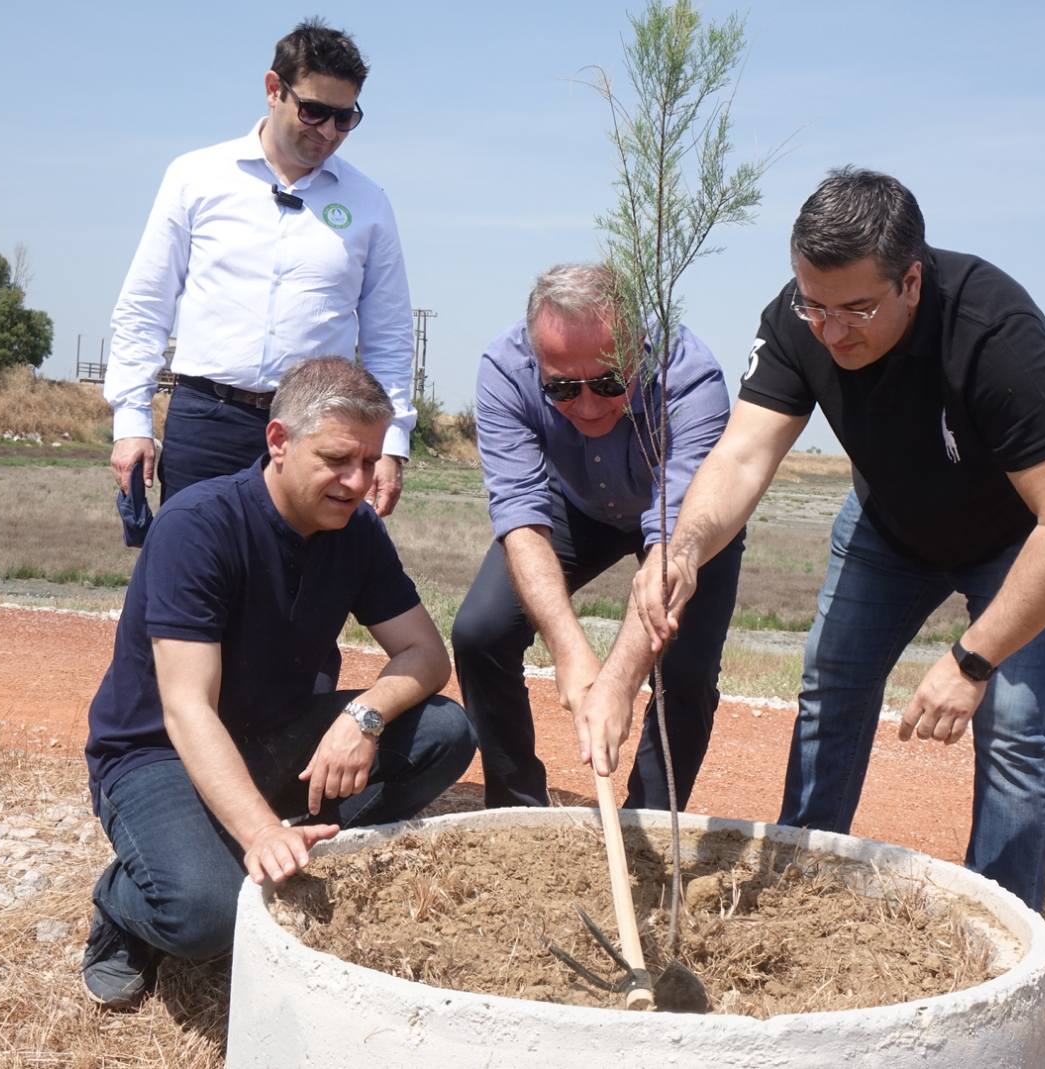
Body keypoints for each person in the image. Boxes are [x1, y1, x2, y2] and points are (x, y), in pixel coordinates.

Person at [622, 168, 1045, 910]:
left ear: (911, 281)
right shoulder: (799, 319)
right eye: (814, 305)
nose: (832, 330)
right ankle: (805, 877)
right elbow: (744, 453)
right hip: (894, 520)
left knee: (1015, 723)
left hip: (1028, 533)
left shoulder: (989, 330)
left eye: (856, 308)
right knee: (832, 682)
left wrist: (972, 658)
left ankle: (997, 930)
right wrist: (684, 545)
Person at [81, 356, 475, 1010]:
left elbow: (426, 655)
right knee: (209, 915)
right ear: (279, 442)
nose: (358, 481)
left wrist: (364, 719)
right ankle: (125, 903)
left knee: (445, 731)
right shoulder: (200, 527)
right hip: (158, 754)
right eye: (338, 459)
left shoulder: (356, 532)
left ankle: (281, 843)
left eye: (371, 460)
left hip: (273, 733)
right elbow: (185, 708)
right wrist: (260, 833)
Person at [451, 263, 744, 808]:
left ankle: (649, 824)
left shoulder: (690, 377)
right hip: (576, 504)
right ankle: (517, 812)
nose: (588, 407)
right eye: (561, 388)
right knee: (481, 631)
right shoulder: (504, 367)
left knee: (685, 669)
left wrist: (616, 682)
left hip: (684, 522)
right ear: (536, 357)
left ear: (637, 348)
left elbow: (671, 545)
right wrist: (569, 650)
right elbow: (519, 513)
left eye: (609, 383)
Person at [104, 18, 414, 514]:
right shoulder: (195, 177)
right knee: (193, 579)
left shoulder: (370, 204)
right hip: (207, 420)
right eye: (314, 112)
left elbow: (390, 335)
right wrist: (131, 422)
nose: (329, 132)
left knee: (304, 585)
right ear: (275, 89)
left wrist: (393, 441)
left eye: (345, 118)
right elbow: (145, 304)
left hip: (317, 430)